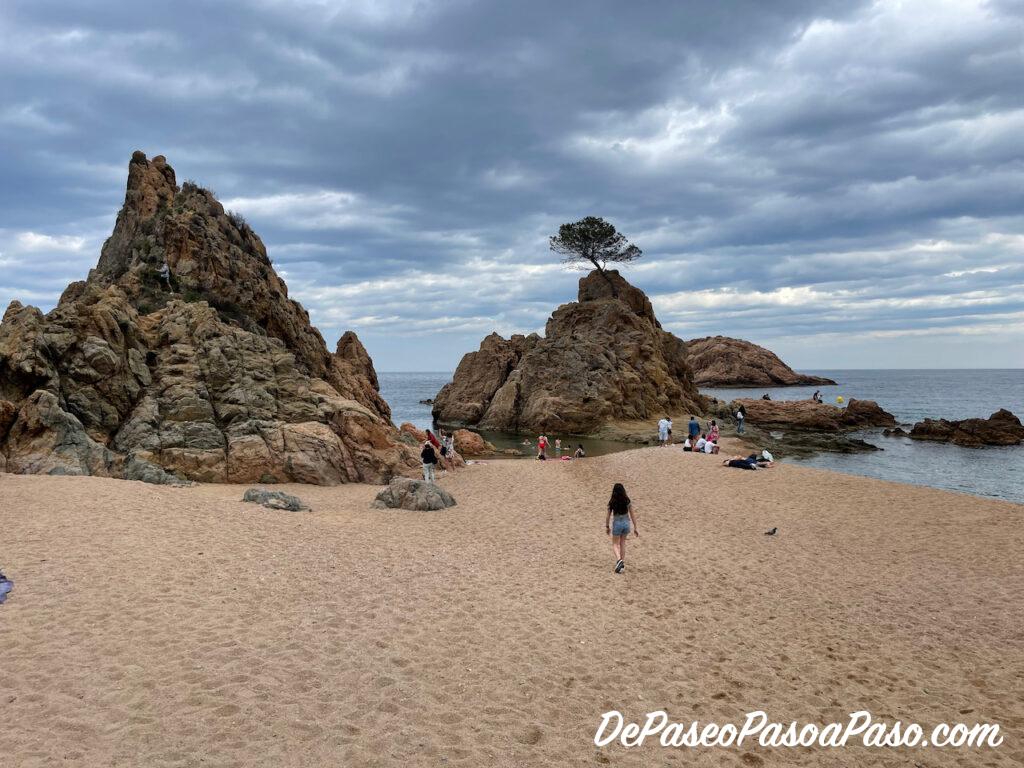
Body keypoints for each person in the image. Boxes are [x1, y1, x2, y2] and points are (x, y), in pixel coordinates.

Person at [606, 483, 638, 574]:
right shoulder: (627, 501)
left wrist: (607, 526)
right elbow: (632, 515)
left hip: (617, 523)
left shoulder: (612, 502)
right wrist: (635, 527)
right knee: (623, 542)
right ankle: (621, 564)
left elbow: (608, 516)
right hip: (626, 523)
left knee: (615, 544)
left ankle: (619, 560)